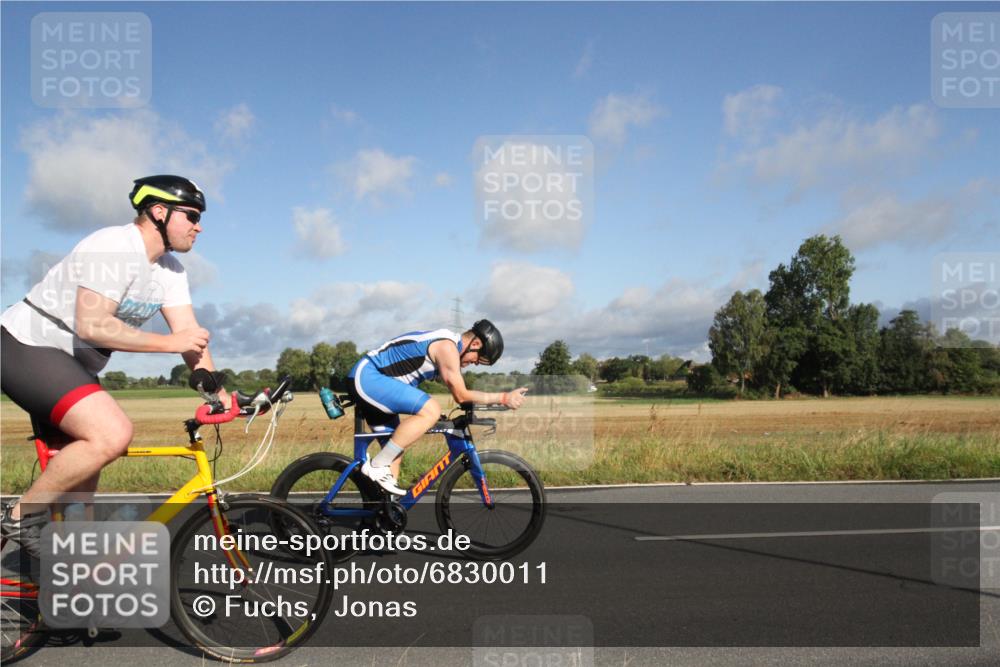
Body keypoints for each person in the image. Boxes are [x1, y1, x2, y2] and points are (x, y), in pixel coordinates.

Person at [0, 175, 228, 557]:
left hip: (72, 367)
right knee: (112, 433)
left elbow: (189, 334)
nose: (198, 226)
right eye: (190, 215)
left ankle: (64, 598)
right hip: (27, 347)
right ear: (159, 212)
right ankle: (21, 516)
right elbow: (94, 325)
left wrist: (217, 392)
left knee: (79, 513)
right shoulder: (114, 247)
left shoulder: (170, 271)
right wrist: (169, 344)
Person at [347, 319, 528, 495]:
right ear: (476, 343)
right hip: (368, 377)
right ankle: (376, 466)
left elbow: (462, 397)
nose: (474, 363)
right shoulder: (447, 348)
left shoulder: (448, 343)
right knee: (430, 409)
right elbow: (461, 395)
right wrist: (503, 397)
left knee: (394, 452)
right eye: (477, 359)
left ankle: (383, 515)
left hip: (377, 382)